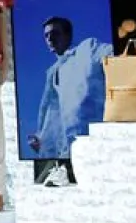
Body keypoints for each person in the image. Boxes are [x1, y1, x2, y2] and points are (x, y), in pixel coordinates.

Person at [29, 17, 114, 159]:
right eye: (46, 35)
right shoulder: (52, 72)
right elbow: (52, 114)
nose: (50, 38)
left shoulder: (87, 50)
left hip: (95, 141)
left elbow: (114, 54)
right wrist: (41, 139)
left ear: (67, 35)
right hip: (67, 151)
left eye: (55, 33)